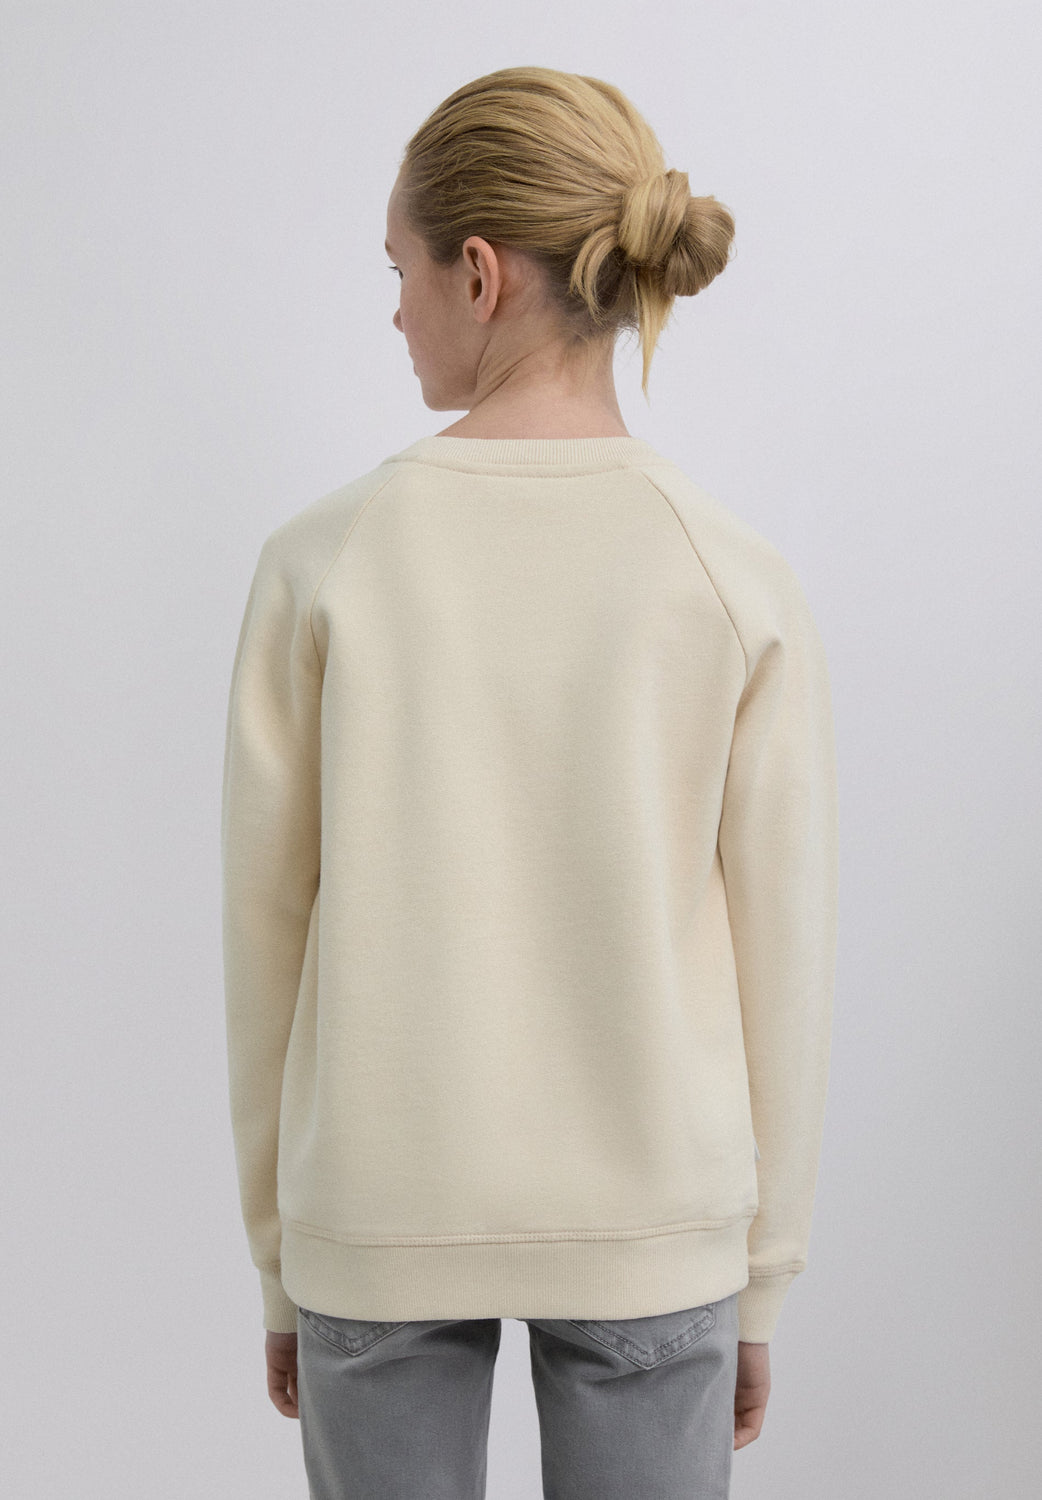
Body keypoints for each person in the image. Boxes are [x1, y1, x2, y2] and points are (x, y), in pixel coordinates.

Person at [221, 65, 839, 1498]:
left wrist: (278, 1259)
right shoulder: (729, 574)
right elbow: (782, 954)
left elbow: (264, 939)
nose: (394, 312)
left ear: (480, 274)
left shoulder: (321, 564)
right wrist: (759, 1276)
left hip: (375, 1218)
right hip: (654, 1223)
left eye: (399, 271)